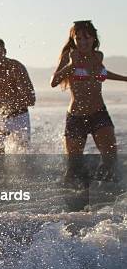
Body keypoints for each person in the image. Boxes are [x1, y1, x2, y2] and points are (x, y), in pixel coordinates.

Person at [51, 20, 127, 183]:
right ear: (74, 40)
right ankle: (72, 199)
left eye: (86, 38)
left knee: (110, 160)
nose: (83, 42)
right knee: (73, 167)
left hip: (99, 113)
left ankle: (106, 192)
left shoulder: (97, 56)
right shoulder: (69, 57)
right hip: (76, 116)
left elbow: (104, 74)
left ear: (93, 38)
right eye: (78, 39)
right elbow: (54, 81)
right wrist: (71, 65)